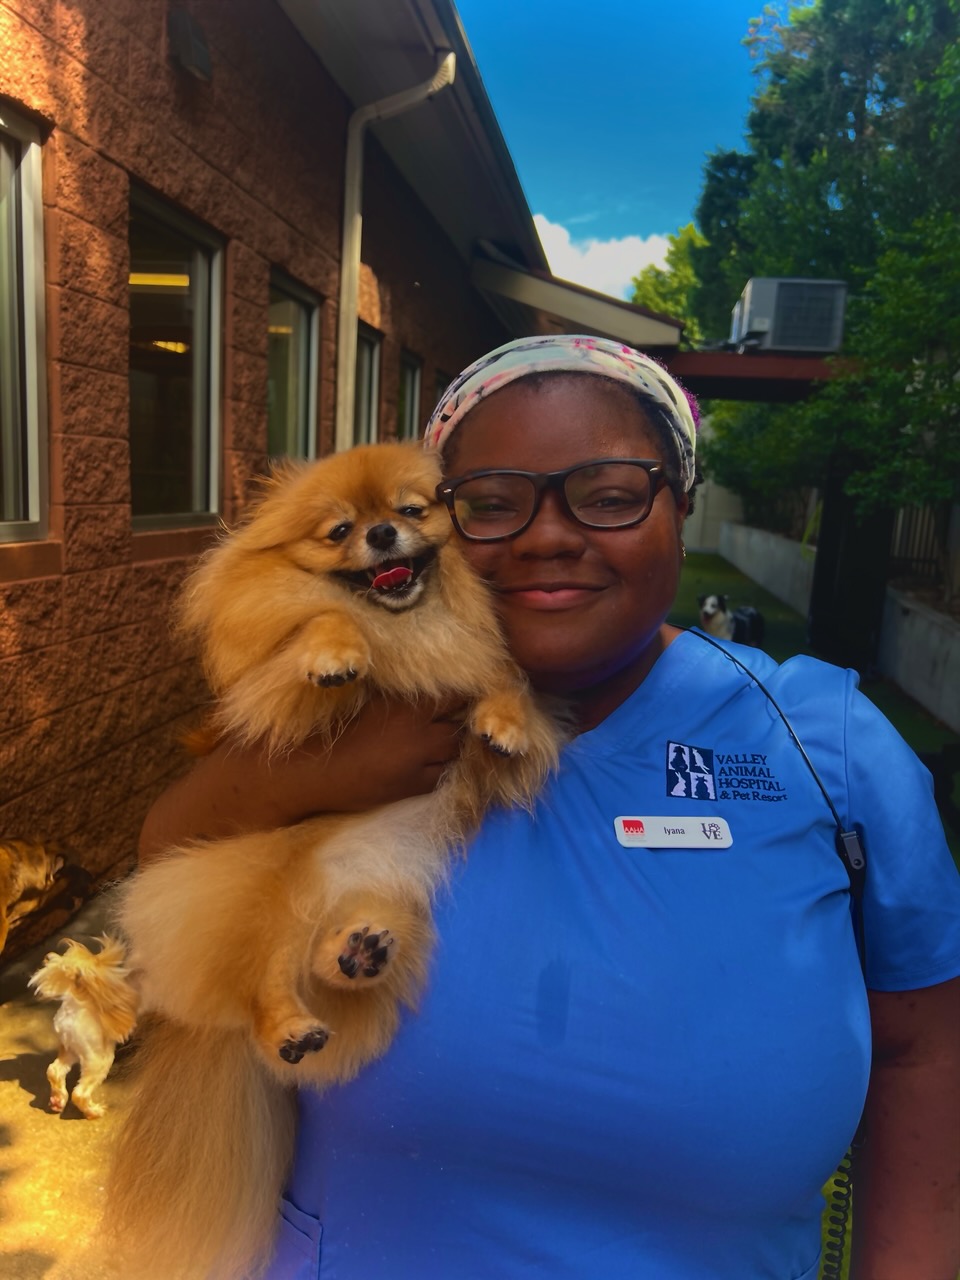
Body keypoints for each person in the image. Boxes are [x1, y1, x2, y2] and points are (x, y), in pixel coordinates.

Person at [140, 334, 960, 1280]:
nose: (547, 537)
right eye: (493, 503)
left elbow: (923, 1056)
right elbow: (171, 858)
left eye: (609, 495)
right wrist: (308, 776)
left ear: (682, 505)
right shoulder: (353, 694)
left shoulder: (823, 744)